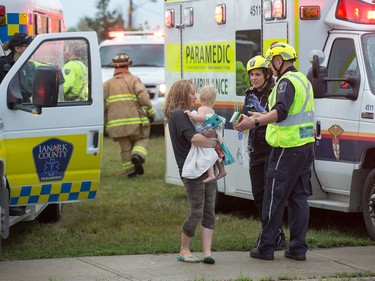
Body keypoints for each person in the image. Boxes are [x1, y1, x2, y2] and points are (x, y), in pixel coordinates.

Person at [234, 42, 315, 261]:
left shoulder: (286, 82)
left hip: (286, 148)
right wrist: (253, 118)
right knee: (298, 198)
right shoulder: (303, 80)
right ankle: (298, 249)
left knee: (272, 196)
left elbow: (280, 112)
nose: (270, 68)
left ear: (279, 61)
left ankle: (266, 246)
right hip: (305, 147)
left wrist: (255, 123)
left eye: (271, 64)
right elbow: (274, 111)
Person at [164, 79, 219, 264]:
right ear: (181, 94)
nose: (195, 97)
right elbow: (194, 139)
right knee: (197, 211)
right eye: (191, 93)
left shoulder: (188, 115)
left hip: (204, 166)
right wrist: (216, 144)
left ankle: (207, 253)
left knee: (209, 211)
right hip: (192, 170)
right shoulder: (178, 115)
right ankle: (184, 249)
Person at [241, 55, 286, 250]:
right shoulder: (250, 93)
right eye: (251, 75)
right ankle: (271, 233)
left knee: (270, 196)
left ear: (267, 74)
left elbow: (276, 116)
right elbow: (245, 115)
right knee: (258, 195)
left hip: (271, 149)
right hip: (255, 150)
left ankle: (274, 235)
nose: (254, 78)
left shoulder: (276, 92)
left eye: (257, 74)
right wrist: (239, 122)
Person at [103, 53, 155, 178]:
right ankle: (137, 155)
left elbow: (103, 105)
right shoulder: (133, 80)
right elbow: (143, 96)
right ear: (127, 66)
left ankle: (130, 172)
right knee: (142, 140)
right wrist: (150, 112)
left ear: (114, 68)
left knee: (125, 147)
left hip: (115, 124)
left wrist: (105, 123)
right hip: (134, 121)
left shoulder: (107, 84)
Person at [0, 32, 33, 216]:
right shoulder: (1, 65)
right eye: (28, 45)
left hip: (23, 117)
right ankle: (10, 202)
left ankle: (19, 199)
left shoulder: (29, 66)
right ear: (19, 48)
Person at [184, 85, 227, 183]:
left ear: (201, 99)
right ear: (213, 101)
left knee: (206, 154)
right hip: (213, 135)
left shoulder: (202, 108)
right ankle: (222, 170)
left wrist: (190, 114)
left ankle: (211, 174)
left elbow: (201, 118)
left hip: (206, 135)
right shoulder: (212, 110)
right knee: (216, 152)